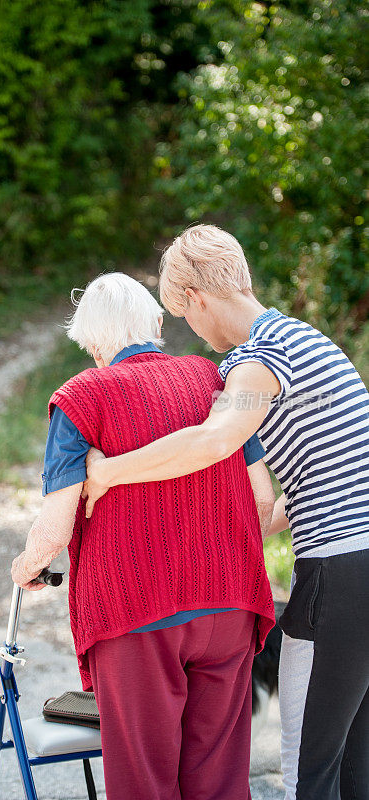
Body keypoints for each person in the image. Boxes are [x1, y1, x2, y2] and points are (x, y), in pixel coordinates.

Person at [82, 225, 369, 800]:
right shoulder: (307, 341)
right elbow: (328, 480)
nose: (193, 332)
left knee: (307, 773)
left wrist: (110, 471)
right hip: (360, 567)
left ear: (196, 298)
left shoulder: (258, 359)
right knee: (353, 773)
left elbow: (215, 439)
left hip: (337, 579)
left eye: (183, 316)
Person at [11, 272, 275, 800]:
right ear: (156, 323)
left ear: (90, 340)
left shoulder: (81, 398)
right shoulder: (211, 378)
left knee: (144, 778)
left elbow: (57, 524)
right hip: (229, 603)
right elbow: (262, 498)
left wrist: (26, 565)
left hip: (135, 613)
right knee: (221, 776)